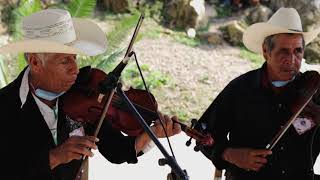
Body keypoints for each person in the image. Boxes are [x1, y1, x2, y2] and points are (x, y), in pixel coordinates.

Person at [0, 9, 181, 180]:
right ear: (35, 62)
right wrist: (54, 157)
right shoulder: (5, 105)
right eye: (65, 61)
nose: (75, 69)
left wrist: (151, 134)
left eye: (75, 58)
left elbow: (116, 150)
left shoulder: (83, 97)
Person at [196, 7, 320, 180]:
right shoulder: (240, 89)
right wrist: (229, 154)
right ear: (265, 51)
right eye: (283, 51)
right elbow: (204, 131)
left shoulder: (314, 90)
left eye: (298, 51)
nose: (292, 60)